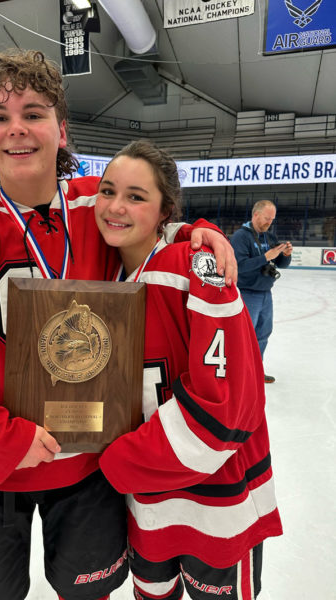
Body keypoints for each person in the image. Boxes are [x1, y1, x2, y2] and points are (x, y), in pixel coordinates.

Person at [0, 49, 236, 600]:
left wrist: (191, 231)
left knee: (87, 593)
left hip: (88, 467)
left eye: (33, 112)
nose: (17, 130)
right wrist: (4, 439)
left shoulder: (99, 208)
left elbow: (153, 216)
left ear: (61, 126)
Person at [96, 141, 283, 600]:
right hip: (146, 503)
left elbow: (225, 411)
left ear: (166, 211)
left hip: (215, 502)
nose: (116, 206)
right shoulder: (102, 275)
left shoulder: (198, 267)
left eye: (137, 196)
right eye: (107, 191)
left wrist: (119, 462)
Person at [230, 200, 293, 383]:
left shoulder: (269, 237)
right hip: (247, 293)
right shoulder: (241, 237)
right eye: (266, 218)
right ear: (255, 214)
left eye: (272, 220)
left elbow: (281, 264)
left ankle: (255, 370)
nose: (269, 223)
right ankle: (240, 375)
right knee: (244, 337)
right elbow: (239, 266)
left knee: (263, 334)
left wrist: (286, 256)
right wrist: (266, 256)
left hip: (265, 294)